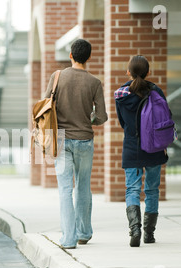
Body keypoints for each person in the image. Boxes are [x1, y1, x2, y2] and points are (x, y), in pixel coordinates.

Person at [44, 39, 108, 249]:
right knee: (83, 187)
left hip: (61, 140)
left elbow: (44, 107)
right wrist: (89, 119)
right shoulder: (94, 82)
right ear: (89, 57)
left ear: (70, 55)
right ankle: (84, 233)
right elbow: (101, 116)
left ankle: (68, 239)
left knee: (65, 189)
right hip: (84, 141)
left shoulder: (57, 77)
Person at [114, 55, 169, 247]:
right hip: (154, 147)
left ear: (128, 72)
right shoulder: (156, 92)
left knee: (132, 189)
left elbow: (122, 123)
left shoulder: (121, 95)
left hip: (132, 146)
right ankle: (149, 234)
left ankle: (135, 230)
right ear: (148, 73)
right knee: (152, 190)